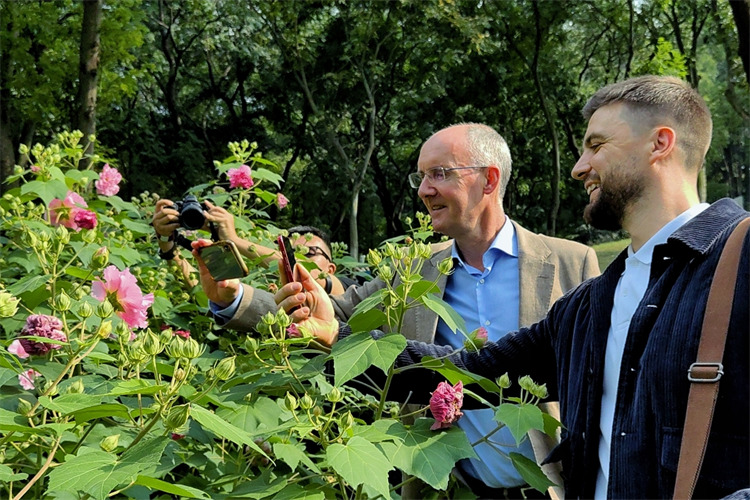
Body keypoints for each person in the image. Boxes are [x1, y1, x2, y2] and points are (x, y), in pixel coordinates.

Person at [276, 76, 750, 498]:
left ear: (659, 143)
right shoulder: (593, 303)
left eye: (596, 145)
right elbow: (471, 374)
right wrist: (338, 337)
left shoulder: (742, 260)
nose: (578, 167)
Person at [200, 123, 600, 498]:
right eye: (421, 177)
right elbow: (335, 317)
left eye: (440, 173)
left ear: (489, 180)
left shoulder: (571, 262)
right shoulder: (411, 269)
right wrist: (232, 298)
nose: (424, 190)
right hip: (449, 489)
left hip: (553, 488)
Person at [152, 199, 354, 294]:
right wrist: (166, 240)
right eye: (288, 248)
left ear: (331, 268)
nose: (298, 256)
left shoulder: (348, 290)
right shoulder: (262, 286)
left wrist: (234, 239)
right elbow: (198, 288)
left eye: (309, 252)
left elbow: (307, 276)